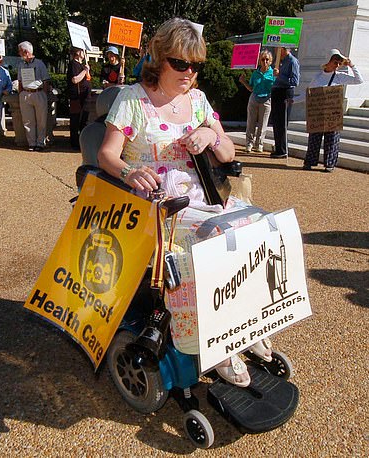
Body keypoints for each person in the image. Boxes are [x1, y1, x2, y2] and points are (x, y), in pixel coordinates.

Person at [98, 18, 273, 388]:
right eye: (180, 64)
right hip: (156, 203)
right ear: (159, 60)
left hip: (202, 194)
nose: (189, 72)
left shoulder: (198, 101)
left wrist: (210, 133)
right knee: (205, 243)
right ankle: (217, 343)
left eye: (196, 65)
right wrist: (130, 172)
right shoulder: (133, 100)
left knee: (259, 228)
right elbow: (107, 155)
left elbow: (227, 152)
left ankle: (246, 320)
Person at [297, 49, 364, 172]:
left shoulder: (340, 77)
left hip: (333, 114)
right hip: (318, 113)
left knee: (332, 139)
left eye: (339, 63)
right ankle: (310, 162)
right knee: (314, 139)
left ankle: (330, 164)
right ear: (328, 61)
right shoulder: (317, 77)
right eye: (335, 62)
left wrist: (352, 65)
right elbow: (308, 93)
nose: (337, 65)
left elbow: (359, 80)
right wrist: (293, 100)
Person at [239, 50, 275, 153]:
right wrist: (243, 81)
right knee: (251, 122)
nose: (264, 61)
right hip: (254, 98)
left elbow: (275, 87)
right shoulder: (255, 73)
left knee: (263, 124)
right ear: (259, 61)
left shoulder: (273, 73)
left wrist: (276, 76)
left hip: (267, 99)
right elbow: (251, 88)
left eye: (267, 59)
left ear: (270, 61)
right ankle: (249, 144)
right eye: (262, 59)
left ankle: (259, 144)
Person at [17, 41, 50, 151]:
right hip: (26, 93)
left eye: (20, 51)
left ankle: (40, 143)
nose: (19, 53)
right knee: (28, 120)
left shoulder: (39, 64)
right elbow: (20, 81)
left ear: (25, 52)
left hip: (38, 93)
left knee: (41, 120)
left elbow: (46, 81)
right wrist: (21, 93)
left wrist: (44, 95)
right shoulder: (21, 64)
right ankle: (31, 143)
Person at [270, 47, 300, 159]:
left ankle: (283, 149)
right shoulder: (278, 61)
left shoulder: (292, 61)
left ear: (283, 49)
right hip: (276, 90)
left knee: (282, 122)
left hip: (285, 92)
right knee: (276, 121)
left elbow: (295, 81)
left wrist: (280, 76)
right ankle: (278, 148)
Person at [67, 48, 91, 149]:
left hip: (84, 97)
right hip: (77, 97)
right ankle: (75, 143)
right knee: (76, 121)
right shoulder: (73, 64)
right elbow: (75, 79)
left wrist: (87, 70)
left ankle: (82, 141)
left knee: (83, 121)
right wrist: (85, 71)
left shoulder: (82, 65)